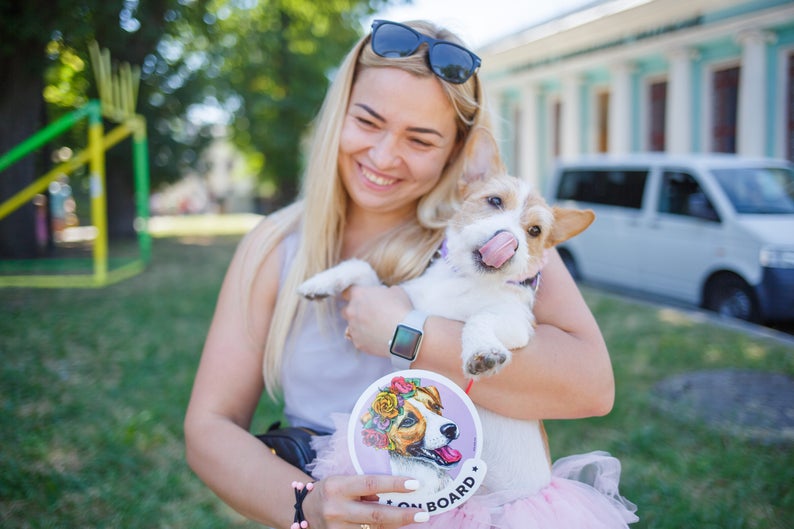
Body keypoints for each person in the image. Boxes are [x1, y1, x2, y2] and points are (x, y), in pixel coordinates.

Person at [185, 19, 635, 529]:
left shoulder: (491, 247)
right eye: (368, 122)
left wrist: (408, 334)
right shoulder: (274, 246)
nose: (383, 157)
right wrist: (306, 505)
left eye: (420, 140)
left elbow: (593, 388)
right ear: (340, 112)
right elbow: (209, 427)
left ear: (458, 154)